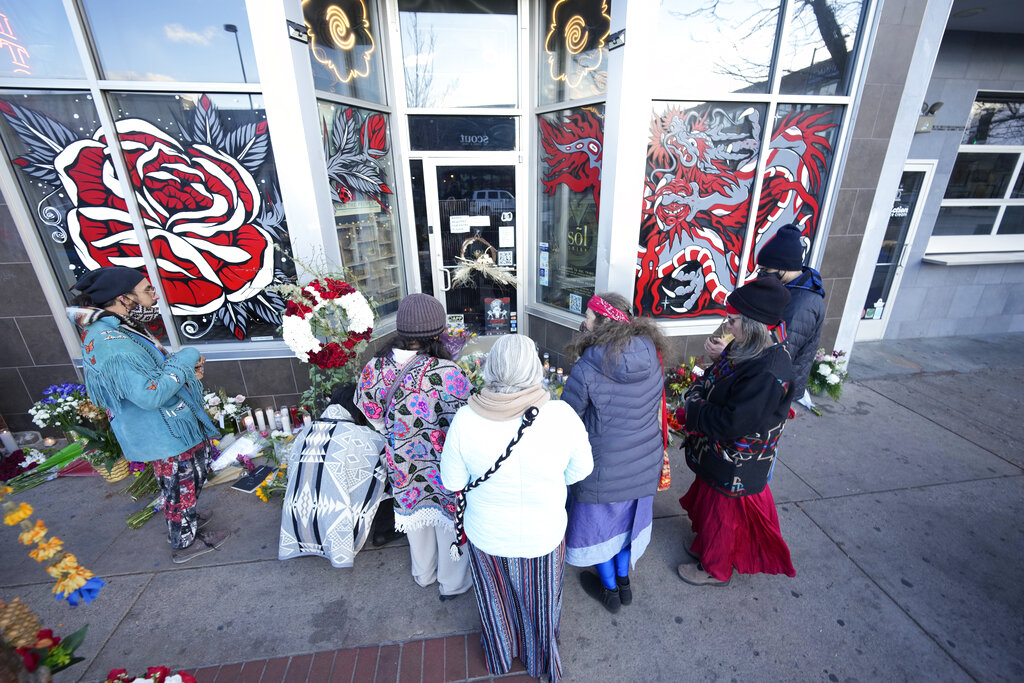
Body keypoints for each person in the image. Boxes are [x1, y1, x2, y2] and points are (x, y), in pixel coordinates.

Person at [441, 334, 592, 683]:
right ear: (535, 369)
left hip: (487, 536)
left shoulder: (465, 419)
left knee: (495, 600)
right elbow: (580, 471)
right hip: (544, 535)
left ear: (490, 368)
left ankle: (500, 655)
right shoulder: (561, 415)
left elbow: (452, 481)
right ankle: (540, 660)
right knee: (542, 603)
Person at [67, 266, 228, 563]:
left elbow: (148, 373)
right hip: (161, 429)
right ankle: (183, 542)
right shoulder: (110, 342)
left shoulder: (117, 326)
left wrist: (183, 372)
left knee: (190, 475)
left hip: (167, 424)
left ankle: (187, 517)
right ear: (123, 298)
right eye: (147, 290)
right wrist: (186, 358)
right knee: (179, 485)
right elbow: (149, 395)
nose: (155, 296)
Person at [678, 277, 797, 586]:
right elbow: (716, 375)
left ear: (754, 325)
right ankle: (706, 548)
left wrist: (694, 407)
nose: (727, 326)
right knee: (712, 505)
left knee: (723, 515)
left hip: (736, 462)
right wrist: (700, 386)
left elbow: (733, 423)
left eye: (732, 320)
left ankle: (714, 569)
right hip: (720, 453)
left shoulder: (769, 371)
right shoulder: (747, 347)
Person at [355, 293, 473, 600]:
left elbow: (372, 414)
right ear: (438, 332)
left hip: (402, 461)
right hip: (443, 463)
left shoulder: (375, 368)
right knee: (448, 520)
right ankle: (452, 583)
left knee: (415, 520)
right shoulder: (448, 373)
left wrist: (396, 433)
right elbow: (466, 421)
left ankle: (423, 575)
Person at [561, 292, 667, 613]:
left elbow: (568, 418)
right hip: (644, 463)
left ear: (603, 322)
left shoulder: (588, 365)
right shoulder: (650, 352)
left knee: (602, 532)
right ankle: (624, 584)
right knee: (627, 527)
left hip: (603, 470)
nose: (584, 322)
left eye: (589, 317)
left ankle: (609, 591)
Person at [707, 224, 825, 411]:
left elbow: (779, 352)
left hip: (773, 388)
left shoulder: (802, 305)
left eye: (765, 269)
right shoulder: (789, 290)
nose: (761, 274)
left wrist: (727, 355)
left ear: (783, 268)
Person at [278, 383, 389, 568]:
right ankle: (383, 530)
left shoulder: (306, 431)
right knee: (387, 472)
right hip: (335, 516)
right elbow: (389, 462)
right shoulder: (363, 435)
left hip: (297, 516)